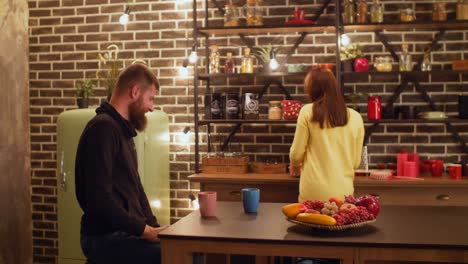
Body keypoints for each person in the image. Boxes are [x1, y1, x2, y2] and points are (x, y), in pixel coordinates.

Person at [75, 63, 169, 264]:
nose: (152, 107)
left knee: (179, 248)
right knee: (177, 257)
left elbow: (136, 188)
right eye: (150, 98)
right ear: (135, 92)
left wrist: (154, 227)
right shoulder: (103, 129)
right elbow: (99, 198)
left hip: (124, 234)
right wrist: (143, 231)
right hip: (104, 238)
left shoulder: (121, 131)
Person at [289, 67, 364, 202]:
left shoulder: (307, 112)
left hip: (312, 194)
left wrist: (295, 165)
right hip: (344, 194)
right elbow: (356, 162)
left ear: (312, 90)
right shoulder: (356, 117)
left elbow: (296, 154)